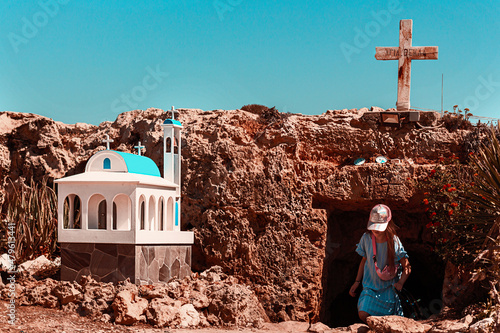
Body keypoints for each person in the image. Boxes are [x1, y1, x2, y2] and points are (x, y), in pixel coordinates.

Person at [348, 204, 411, 323]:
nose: (376, 230)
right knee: (363, 312)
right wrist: (357, 282)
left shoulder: (393, 241)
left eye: (379, 227)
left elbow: (407, 266)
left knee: (388, 321)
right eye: (373, 226)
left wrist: (400, 283)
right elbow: (364, 260)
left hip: (388, 289)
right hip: (370, 287)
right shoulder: (366, 238)